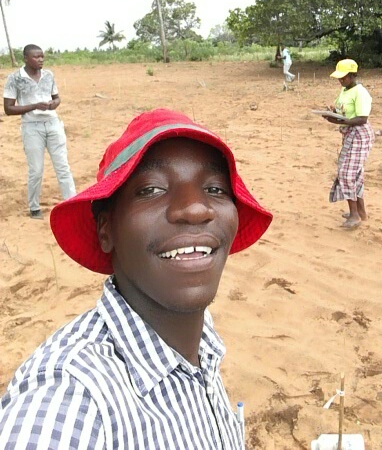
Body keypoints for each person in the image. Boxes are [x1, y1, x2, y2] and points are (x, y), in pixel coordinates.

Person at [0, 108, 273, 449]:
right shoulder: (69, 398)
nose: (195, 208)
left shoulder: (200, 336)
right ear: (105, 229)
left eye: (215, 188)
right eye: (152, 189)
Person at [3, 44, 76, 219]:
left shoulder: (49, 75)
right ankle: (34, 207)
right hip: (32, 127)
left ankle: (72, 203)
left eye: (42, 56)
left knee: (63, 167)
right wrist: (35, 106)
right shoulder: (15, 79)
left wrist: (53, 104)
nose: (41, 60)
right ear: (26, 58)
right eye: (36, 57)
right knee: (36, 170)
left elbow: (56, 98)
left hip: (53, 124)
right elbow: (8, 108)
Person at [323, 59, 374, 229]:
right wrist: (332, 113)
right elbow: (342, 112)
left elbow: (362, 118)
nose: (340, 80)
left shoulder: (360, 92)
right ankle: (361, 212)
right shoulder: (345, 91)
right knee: (355, 174)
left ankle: (354, 215)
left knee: (347, 174)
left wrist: (339, 121)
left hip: (359, 135)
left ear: (352, 75)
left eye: (343, 77)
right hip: (349, 134)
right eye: (339, 77)